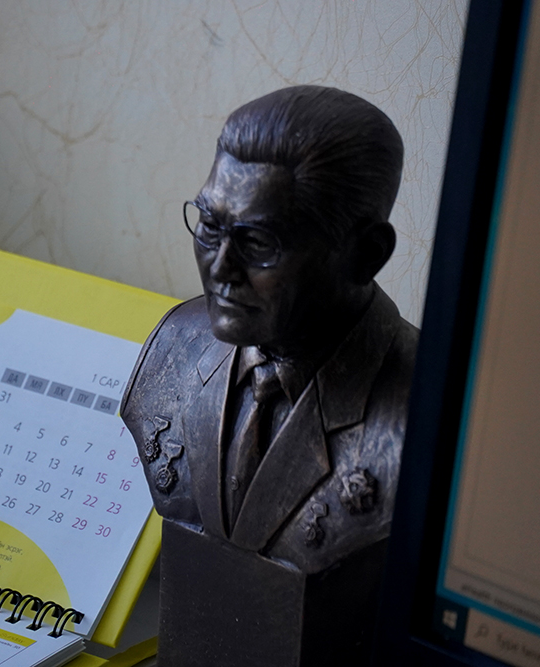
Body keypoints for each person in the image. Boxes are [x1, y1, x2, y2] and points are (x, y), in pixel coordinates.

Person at [120, 86, 419, 666]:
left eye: (258, 242)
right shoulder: (177, 344)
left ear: (366, 255)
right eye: (209, 226)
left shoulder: (426, 415)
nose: (221, 268)